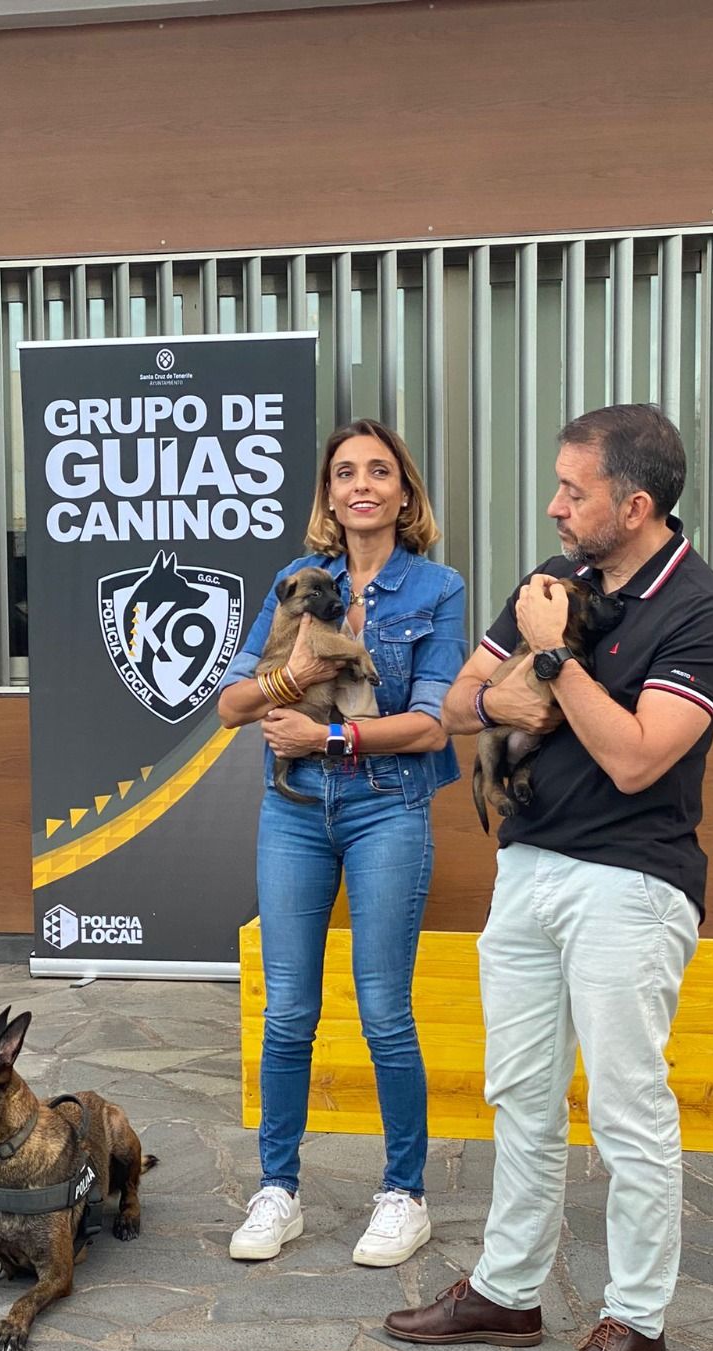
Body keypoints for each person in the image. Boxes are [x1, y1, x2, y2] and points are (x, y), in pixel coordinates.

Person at [384, 404, 713, 1351]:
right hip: (530, 866)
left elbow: (635, 757)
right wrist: (533, 677)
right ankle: (506, 1291)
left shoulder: (703, 610)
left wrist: (551, 661)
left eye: (572, 490)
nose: (553, 505)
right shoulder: (554, 588)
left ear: (634, 506)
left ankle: (637, 1321)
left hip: (632, 881)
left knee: (628, 1107)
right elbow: (457, 704)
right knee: (521, 1093)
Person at [218, 420, 467, 1268]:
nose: (362, 484)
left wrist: (329, 740)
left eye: (380, 472)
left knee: (383, 1012)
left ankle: (404, 1195)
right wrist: (291, 681)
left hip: (385, 807)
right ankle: (277, 1190)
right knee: (286, 1010)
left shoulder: (436, 587)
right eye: (345, 473)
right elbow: (230, 701)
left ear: (404, 493)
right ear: (329, 494)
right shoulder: (294, 581)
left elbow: (434, 724)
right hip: (292, 813)